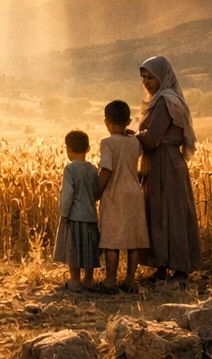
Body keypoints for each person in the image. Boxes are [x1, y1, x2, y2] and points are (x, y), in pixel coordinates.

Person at [137, 56, 201, 283]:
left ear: (162, 77)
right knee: (159, 212)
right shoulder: (158, 101)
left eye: (151, 77)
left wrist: (130, 138)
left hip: (165, 162)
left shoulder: (165, 101)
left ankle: (180, 269)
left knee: (171, 213)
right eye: (143, 77)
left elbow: (153, 137)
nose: (146, 82)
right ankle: (162, 267)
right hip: (159, 162)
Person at [97, 100, 149, 293]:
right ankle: (129, 280)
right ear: (128, 121)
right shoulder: (136, 141)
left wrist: (97, 191)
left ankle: (110, 281)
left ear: (106, 122)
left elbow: (106, 169)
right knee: (132, 239)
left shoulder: (107, 143)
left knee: (112, 239)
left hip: (114, 193)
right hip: (134, 192)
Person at [53, 129, 100, 292]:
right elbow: (96, 191)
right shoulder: (93, 169)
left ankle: (74, 281)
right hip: (91, 215)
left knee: (74, 249)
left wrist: (64, 213)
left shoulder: (70, 169)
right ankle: (89, 279)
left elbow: (68, 193)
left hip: (74, 216)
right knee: (89, 247)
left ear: (69, 150)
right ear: (88, 149)